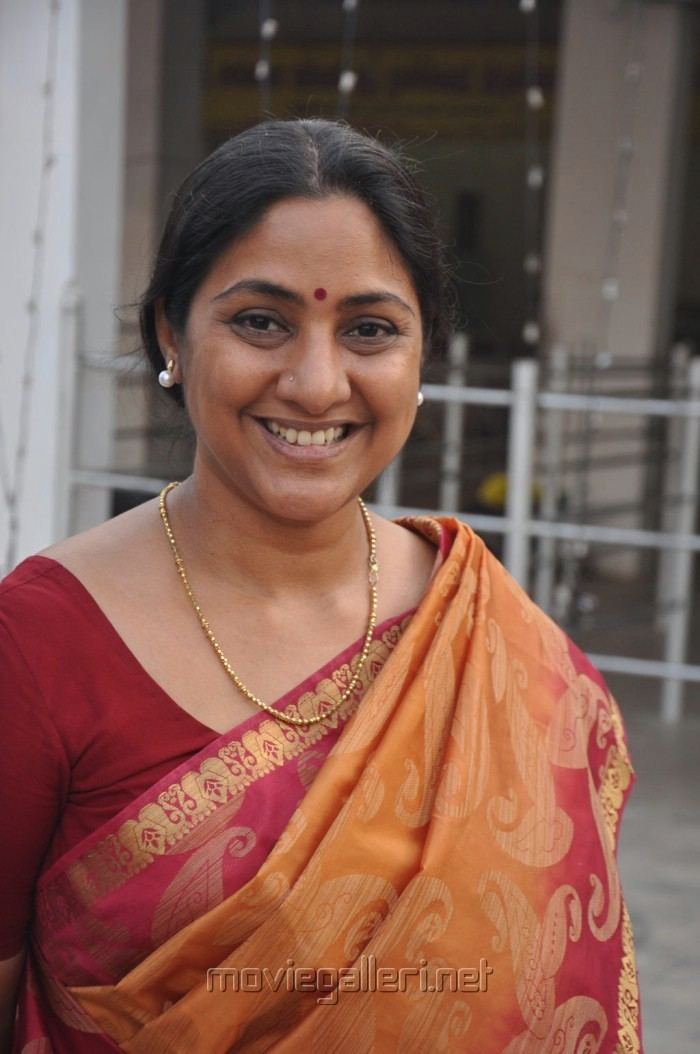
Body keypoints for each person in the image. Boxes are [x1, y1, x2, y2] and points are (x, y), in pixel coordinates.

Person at [0, 118, 641, 1053]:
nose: (315, 381)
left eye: (370, 330)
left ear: (424, 358)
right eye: (261, 321)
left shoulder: (493, 641)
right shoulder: (41, 641)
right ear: (170, 334)